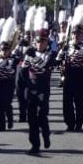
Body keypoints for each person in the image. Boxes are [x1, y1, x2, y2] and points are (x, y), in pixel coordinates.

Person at [21, 26, 57, 154]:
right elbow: (23, 69)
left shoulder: (50, 54)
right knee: (31, 118)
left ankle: (46, 135)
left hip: (43, 88)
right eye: (37, 41)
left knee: (41, 115)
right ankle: (35, 145)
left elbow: (43, 66)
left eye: (42, 41)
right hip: (31, 87)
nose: (39, 44)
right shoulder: (30, 52)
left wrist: (32, 57)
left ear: (47, 42)